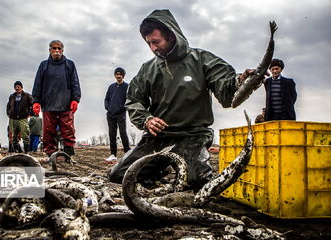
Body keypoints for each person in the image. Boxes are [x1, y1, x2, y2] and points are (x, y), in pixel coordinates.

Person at [108, 9, 255, 190]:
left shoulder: (201, 59)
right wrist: (146, 120)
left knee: (196, 179)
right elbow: (133, 100)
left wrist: (240, 83)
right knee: (119, 175)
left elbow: (227, 93)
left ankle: (191, 167)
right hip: (159, 138)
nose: (153, 48)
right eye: (149, 43)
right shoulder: (148, 69)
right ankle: (158, 169)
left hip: (192, 135)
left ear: (171, 35)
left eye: (156, 42)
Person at [32, 40, 81, 157]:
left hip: (66, 103)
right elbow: (38, 84)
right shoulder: (43, 65)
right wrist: (36, 101)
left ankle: (68, 151)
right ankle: (50, 154)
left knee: (68, 129)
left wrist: (75, 99)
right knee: (48, 130)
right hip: (48, 103)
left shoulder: (69, 65)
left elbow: (75, 83)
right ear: (50, 50)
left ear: (63, 51)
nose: (57, 51)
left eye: (59, 49)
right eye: (54, 48)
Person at [104, 67, 131, 163]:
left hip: (121, 114)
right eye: (117, 74)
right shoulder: (111, 87)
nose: (118, 76)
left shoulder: (127, 86)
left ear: (123, 75)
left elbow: (129, 100)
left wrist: (122, 108)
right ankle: (113, 155)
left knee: (123, 133)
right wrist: (108, 107)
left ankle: (128, 153)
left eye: (120, 74)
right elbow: (106, 99)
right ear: (115, 75)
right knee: (112, 134)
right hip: (110, 114)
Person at [6, 81, 33, 153]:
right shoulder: (12, 96)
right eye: (15, 87)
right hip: (13, 118)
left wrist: (30, 113)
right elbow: (8, 106)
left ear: (21, 87)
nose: (17, 88)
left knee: (25, 135)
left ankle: (26, 152)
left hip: (23, 118)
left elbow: (32, 104)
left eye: (18, 86)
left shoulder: (27, 96)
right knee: (14, 136)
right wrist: (9, 113)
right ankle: (17, 152)